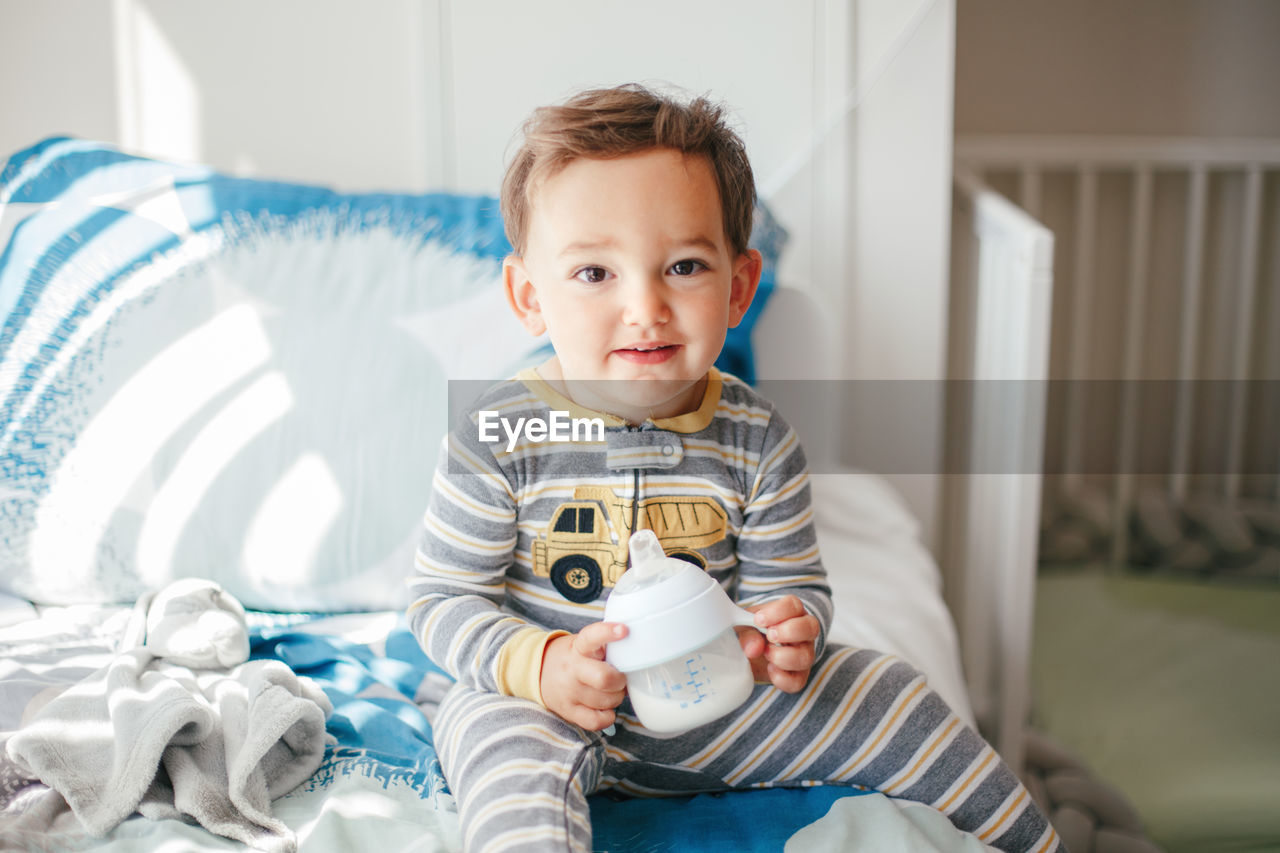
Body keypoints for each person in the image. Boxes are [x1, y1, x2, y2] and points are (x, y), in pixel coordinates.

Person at [408, 83, 1061, 853]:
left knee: (890, 688)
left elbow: (790, 587)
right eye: (594, 274)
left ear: (739, 287)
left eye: (683, 266)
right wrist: (539, 663)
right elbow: (442, 599)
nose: (645, 305)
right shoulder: (498, 433)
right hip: (545, 704)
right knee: (494, 744)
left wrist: (788, 632)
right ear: (529, 297)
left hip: (709, 699)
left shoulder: (758, 438)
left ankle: (1034, 842)